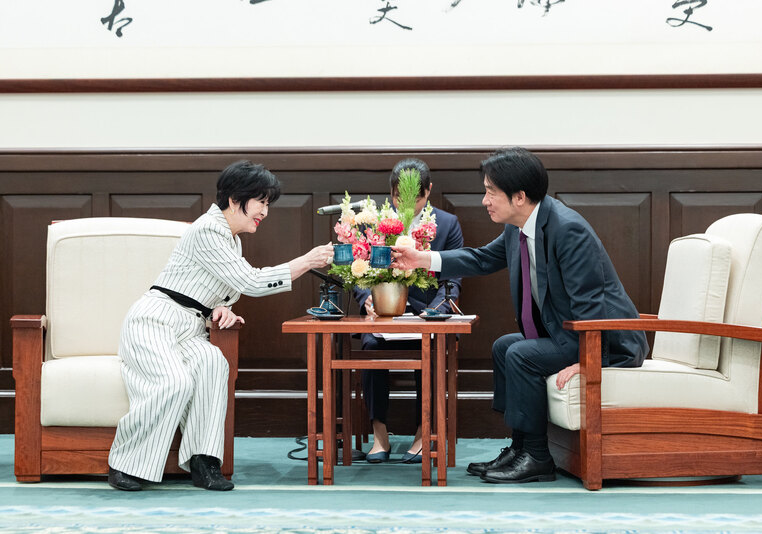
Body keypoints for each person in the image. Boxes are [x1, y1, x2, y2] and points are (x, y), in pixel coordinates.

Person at [391, 148, 648, 483]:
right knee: (504, 347)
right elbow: (482, 259)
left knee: (522, 353)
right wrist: (421, 259)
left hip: (607, 339)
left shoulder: (568, 229)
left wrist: (588, 360)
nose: (485, 200)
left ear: (520, 196)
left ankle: (538, 457)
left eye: (490, 192)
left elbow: (591, 305)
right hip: (566, 333)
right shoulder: (520, 226)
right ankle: (520, 446)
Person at [107, 160, 334, 491]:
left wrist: (224, 308)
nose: (265, 212)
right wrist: (307, 261)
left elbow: (216, 287)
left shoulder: (232, 239)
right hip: (155, 320)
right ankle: (124, 463)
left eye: (268, 204)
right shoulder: (208, 229)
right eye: (262, 202)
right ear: (234, 198)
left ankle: (204, 461)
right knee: (174, 383)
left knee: (214, 363)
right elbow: (252, 282)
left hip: (190, 325)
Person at [353, 158, 464, 464]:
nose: (409, 204)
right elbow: (358, 272)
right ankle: (379, 434)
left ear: (428, 192)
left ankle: (422, 433)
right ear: (390, 193)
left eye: (417, 198)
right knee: (370, 346)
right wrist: (366, 300)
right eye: (400, 197)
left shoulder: (447, 225)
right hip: (384, 315)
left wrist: (431, 314)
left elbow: (451, 281)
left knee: (428, 347)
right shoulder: (374, 223)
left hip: (424, 317)